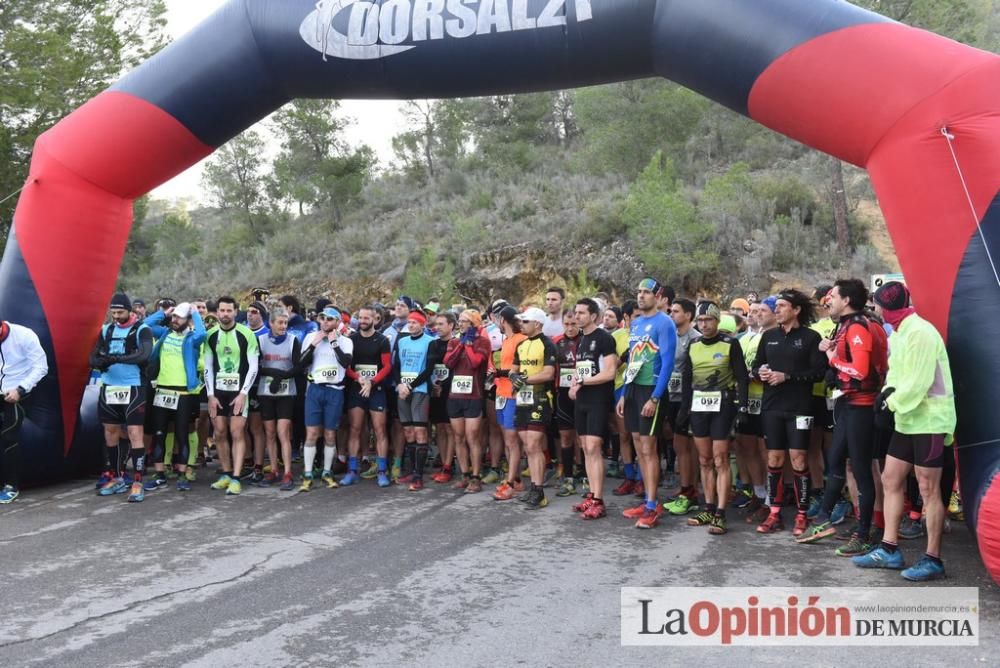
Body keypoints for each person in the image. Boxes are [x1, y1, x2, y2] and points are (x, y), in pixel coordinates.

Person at [853, 281, 956, 581]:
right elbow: (898, 375)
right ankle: (889, 548)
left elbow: (920, 381)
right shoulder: (899, 332)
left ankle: (933, 558)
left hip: (932, 420)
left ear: (884, 308)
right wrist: (886, 396)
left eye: (879, 307)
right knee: (891, 478)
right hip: (908, 419)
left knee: (928, 488)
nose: (877, 311)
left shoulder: (921, 332)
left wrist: (890, 403)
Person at [798, 278, 887, 556]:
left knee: (861, 470)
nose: (828, 300)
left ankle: (865, 534)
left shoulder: (859, 325)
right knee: (837, 461)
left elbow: (860, 370)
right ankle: (827, 519)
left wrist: (832, 357)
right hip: (850, 403)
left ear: (846, 300)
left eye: (833, 296)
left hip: (862, 405)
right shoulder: (849, 325)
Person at [751, 289, 828, 536]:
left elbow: (819, 373)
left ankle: (802, 515)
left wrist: (788, 377)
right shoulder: (769, 336)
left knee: (799, 459)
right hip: (772, 406)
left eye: (782, 305)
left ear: (796, 310)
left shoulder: (810, 337)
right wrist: (760, 373)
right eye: (777, 305)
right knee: (773, 459)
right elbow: (755, 366)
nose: (777, 309)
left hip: (800, 408)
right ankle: (774, 512)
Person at [680, 302, 749, 535]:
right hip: (699, 406)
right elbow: (687, 378)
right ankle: (708, 507)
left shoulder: (731, 343)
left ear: (717, 321)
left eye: (708, 320)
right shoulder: (693, 344)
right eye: (700, 321)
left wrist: (743, 408)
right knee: (704, 459)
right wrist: (684, 409)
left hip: (724, 405)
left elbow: (742, 378)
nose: (704, 324)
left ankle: (720, 512)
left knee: (720, 459)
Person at [618, 278, 677, 529]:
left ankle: (653, 506)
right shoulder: (637, 323)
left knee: (649, 447)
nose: (641, 296)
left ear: (658, 296)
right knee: (638, 445)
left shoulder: (665, 323)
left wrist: (655, 396)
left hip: (650, 390)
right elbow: (632, 360)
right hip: (633, 390)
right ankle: (647, 499)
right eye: (639, 292)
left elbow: (667, 362)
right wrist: (624, 393)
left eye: (646, 292)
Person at [91, 293, 153, 502]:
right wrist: (100, 363)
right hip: (109, 387)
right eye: (113, 312)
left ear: (129, 311)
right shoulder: (106, 330)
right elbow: (93, 356)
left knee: (135, 432)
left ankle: (137, 481)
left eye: (120, 312)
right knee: (110, 432)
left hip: (133, 387)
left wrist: (116, 358)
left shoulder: (142, 330)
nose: (116, 316)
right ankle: (117, 477)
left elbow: (144, 355)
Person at [142, 303, 206, 492]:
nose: (175, 320)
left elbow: (203, 334)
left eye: (179, 317)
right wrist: (163, 313)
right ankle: (160, 474)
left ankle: (182, 474)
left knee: (181, 434)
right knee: (160, 433)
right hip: (162, 390)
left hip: (183, 392)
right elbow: (145, 326)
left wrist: (195, 314)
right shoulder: (165, 333)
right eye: (174, 317)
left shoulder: (192, 338)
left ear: (187, 320)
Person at [568, 298, 619, 520]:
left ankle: (599, 499)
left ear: (594, 316)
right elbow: (582, 371)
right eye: (576, 313)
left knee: (594, 447)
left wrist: (583, 383)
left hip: (598, 398)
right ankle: (591, 494)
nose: (576, 316)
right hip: (583, 399)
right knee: (585, 447)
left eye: (581, 313)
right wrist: (574, 385)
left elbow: (610, 372)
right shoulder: (581, 340)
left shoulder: (604, 338)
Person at [203, 296, 260, 496]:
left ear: (236, 312)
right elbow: (208, 366)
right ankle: (226, 473)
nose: (225, 314)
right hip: (218, 391)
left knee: (236, 432)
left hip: (239, 391)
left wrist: (244, 393)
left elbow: (254, 366)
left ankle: (236, 477)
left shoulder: (246, 334)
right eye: (222, 310)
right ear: (217, 312)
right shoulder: (210, 335)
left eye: (229, 311)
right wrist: (210, 394)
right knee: (219, 431)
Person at [299, 306, 354, 491]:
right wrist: (314, 344)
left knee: (330, 434)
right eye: (322, 318)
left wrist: (333, 343)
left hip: (335, 391)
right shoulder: (310, 337)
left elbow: (346, 363)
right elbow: (301, 363)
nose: (325, 322)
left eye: (330, 319)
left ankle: (327, 471)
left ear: (338, 322)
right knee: (312, 433)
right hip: (315, 389)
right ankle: (307, 474)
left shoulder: (345, 341)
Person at [510, 307, 558, 509]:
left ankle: (539, 491)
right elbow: (513, 370)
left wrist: (524, 379)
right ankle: (533, 488)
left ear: (537, 324)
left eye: (525, 321)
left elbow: (548, 374)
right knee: (527, 445)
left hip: (540, 397)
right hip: (522, 398)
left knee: (534, 444)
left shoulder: (547, 344)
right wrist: (515, 377)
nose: (521, 324)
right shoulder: (520, 344)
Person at [443, 309, 492, 493]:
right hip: (455, 396)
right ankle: (464, 474)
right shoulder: (454, 341)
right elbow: (448, 362)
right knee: (458, 437)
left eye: (465, 321)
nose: (461, 324)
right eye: (460, 321)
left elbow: (475, 363)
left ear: (473, 324)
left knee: (472, 437)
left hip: (474, 396)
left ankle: (476, 476)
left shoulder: (483, 342)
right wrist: (460, 345)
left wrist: (469, 345)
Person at [0, 318, 48, 504]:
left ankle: (11, 485)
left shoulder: (23, 335)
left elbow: (41, 367)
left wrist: (20, 389)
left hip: (18, 392)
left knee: (8, 435)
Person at [345, 305, 393, 488]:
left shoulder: (382, 340)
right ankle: (352, 470)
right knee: (355, 428)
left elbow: (387, 366)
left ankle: (382, 471)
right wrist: (359, 379)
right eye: (361, 318)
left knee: (379, 430)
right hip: (357, 389)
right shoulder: (351, 340)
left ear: (375, 319)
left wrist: (371, 382)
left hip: (376, 389)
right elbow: (346, 366)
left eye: (367, 318)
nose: (363, 321)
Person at [663, 298, 701, 515]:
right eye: (671, 311)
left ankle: (690, 490)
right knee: (678, 444)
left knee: (686, 445)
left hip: (688, 398)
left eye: (676, 311)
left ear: (688, 315)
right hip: (669, 395)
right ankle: (686, 486)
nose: (672, 315)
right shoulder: (670, 336)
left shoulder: (696, 338)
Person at [256, 308, 301, 491]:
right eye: (280, 323)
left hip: (286, 392)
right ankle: (274, 469)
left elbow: (298, 366)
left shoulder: (293, 341)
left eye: (285, 323)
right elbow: (256, 366)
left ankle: (288, 472)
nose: (283, 326)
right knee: (270, 432)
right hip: (265, 391)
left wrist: (281, 377)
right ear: (271, 324)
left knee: (283, 432)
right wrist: (273, 373)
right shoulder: (261, 340)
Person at [394, 310, 439, 491]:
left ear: (422, 324)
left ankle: (419, 476)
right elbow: (396, 366)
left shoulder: (430, 342)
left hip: (419, 390)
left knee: (420, 432)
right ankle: (411, 471)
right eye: (409, 322)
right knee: (408, 433)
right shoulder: (402, 341)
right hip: (403, 391)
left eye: (414, 322)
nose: (410, 325)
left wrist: (410, 386)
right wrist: (399, 385)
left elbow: (429, 369)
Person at [492, 306, 528, 501]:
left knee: (512, 441)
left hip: (514, 395)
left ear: (503, 320)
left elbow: (522, 369)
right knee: (508, 440)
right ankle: (518, 479)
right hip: (501, 394)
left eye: (497, 319)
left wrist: (502, 374)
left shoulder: (521, 339)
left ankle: (511, 482)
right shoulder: (506, 341)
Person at [553, 310, 582, 497]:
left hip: (583, 392)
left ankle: (586, 474)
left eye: (573, 324)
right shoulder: (556, 342)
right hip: (562, 393)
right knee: (565, 436)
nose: (570, 328)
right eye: (567, 324)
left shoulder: (586, 340)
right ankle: (569, 478)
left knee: (583, 437)